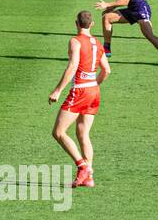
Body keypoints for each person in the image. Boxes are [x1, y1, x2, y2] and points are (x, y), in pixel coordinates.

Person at [47, 10, 111, 189]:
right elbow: (107, 70)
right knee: (83, 134)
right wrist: (94, 85)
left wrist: (58, 90)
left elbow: (73, 66)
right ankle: (89, 177)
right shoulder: (98, 43)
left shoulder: (75, 41)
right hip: (94, 92)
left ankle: (82, 167)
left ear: (76, 24)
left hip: (80, 91)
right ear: (92, 25)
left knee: (58, 132)